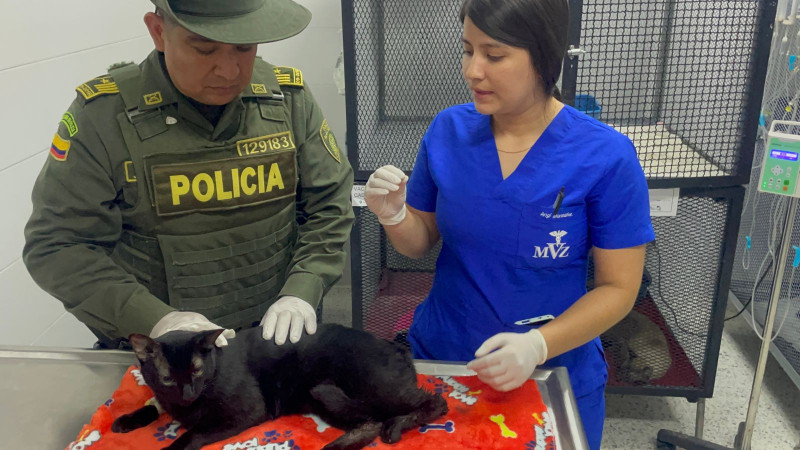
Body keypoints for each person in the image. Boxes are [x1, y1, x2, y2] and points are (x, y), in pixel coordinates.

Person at [364, 0, 654, 448]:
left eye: (494, 55)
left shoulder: (604, 155)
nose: (473, 70)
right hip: (446, 359)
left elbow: (619, 289)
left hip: (554, 370)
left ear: (542, 57)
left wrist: (538, 345)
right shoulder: (449, 132)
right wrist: (394, 215)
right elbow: (418, 242)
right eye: (467, 50)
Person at [23, 0, 353, 350]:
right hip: (165, 359)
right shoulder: (103, 118)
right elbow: (58, 245)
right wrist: (154, 319)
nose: (228, 71)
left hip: (272, 345)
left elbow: (329, 204)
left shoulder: (287, 100)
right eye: (204, 48)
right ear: (158, 31)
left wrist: (304, 288)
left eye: (244, 48)